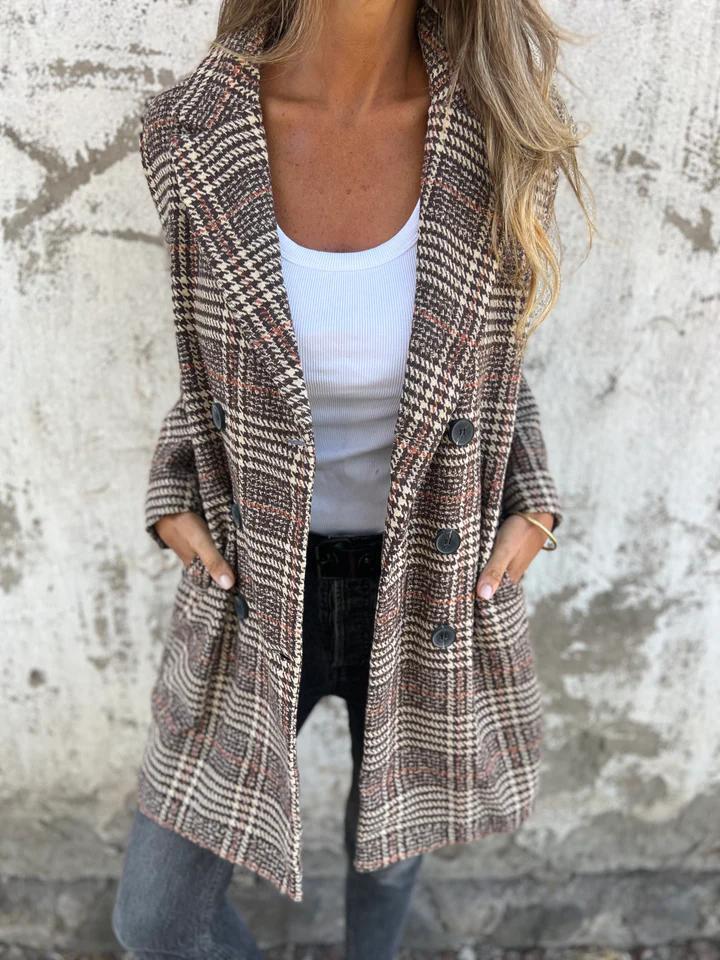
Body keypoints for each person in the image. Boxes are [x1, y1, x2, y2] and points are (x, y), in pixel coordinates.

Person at [112, 0, 593, 956]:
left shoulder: (504, 130)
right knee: (157, 918)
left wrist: (532, 501)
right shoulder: (189, 132)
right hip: (256, 583)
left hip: (429, 580)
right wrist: (172, 496)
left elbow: (489, 367)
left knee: (390, 856)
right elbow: (215, 370)